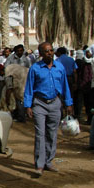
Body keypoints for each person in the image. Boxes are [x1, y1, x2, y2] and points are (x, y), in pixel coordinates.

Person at [24, 42, 73, 177]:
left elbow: (65, 86)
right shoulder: (35, 68)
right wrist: (28, 106)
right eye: (46, 51)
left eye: (51, 50)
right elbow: (29, 87)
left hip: (55, 103)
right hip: (39, 104)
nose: (50, 53)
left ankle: (48, 162)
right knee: (40, 134)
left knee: (52, 134)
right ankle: (39, 165)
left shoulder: (60, 68)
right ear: (40, 54)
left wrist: (68, 103)